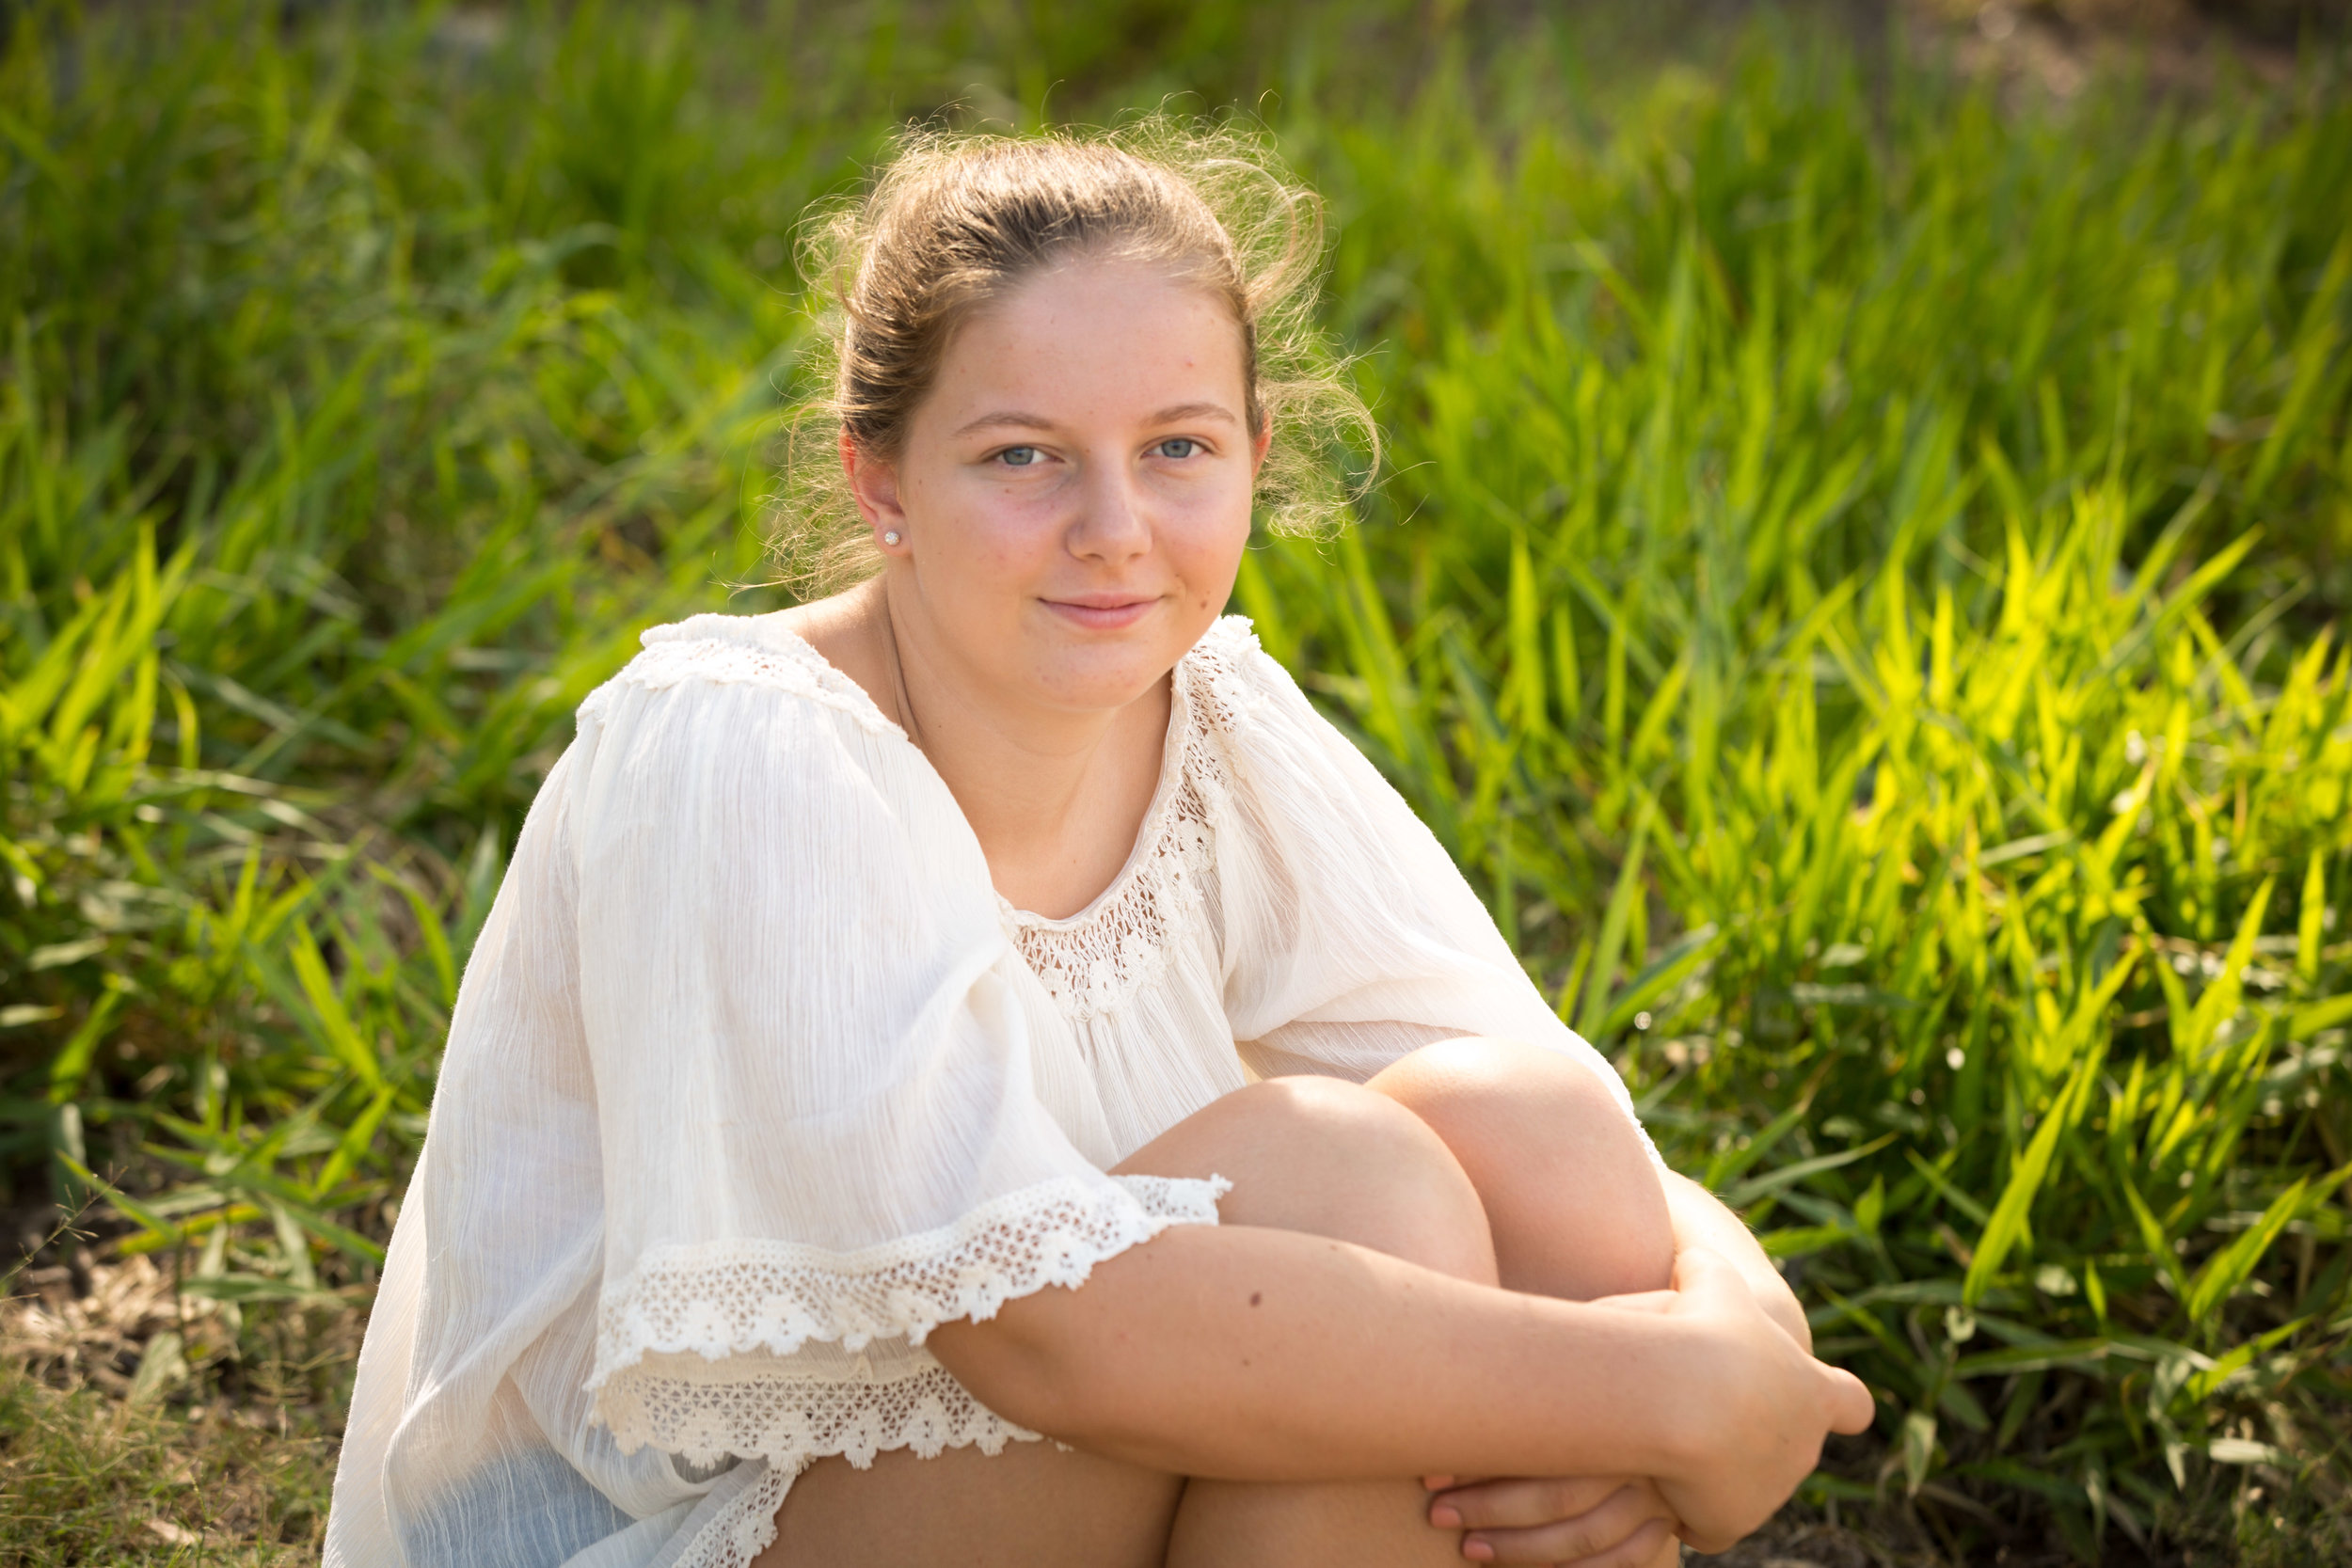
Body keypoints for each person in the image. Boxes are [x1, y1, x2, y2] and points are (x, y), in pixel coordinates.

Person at [324, 123, 1872, 1568]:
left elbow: (1556, 1096)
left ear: (1259, 452)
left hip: (1031, 1466)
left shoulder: (1212, 725)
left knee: (1524, 1125)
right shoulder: (746, 745)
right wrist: (1656, 1401)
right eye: (1022, 456)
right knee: (1342, 1188)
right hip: (700, 1519)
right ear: (883, 482)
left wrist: (1741, 1322)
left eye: (1179, 448)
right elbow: (1038, 1336)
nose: (1116, 525)